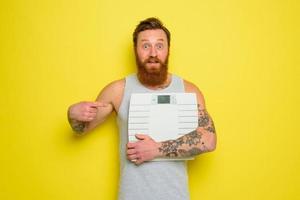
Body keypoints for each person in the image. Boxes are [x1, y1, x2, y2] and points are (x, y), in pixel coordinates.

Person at [67, 17, 217, 200]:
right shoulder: (117, 90)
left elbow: (208, 140)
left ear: (168, 50)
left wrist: (156, 149)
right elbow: (82, 129)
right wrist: (73, 116)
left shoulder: (188, 90)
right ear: (135, 50)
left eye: (159, 46)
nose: (153, 53)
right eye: (145, 46)